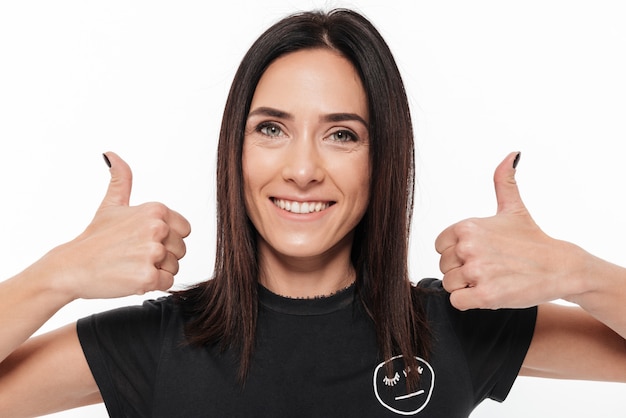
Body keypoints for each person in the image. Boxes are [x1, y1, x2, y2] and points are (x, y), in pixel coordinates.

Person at [0, 8, 625, 418]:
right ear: (234, 151)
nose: (302, 168)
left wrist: (580, 273)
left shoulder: (452, 330)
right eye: (272, 128)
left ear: (384, 160)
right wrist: (56, 275)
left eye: (343, 135)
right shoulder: (159, 342)